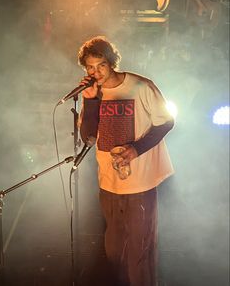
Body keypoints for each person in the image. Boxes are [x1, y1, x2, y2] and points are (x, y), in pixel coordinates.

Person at [78, 36, 174, 286]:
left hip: (140, 182)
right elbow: (88, 138)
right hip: (109, 182)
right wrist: (89, 101)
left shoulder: (140, 86)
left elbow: (166, 121)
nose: (95, 72)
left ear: (111, 62)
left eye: (100, 65)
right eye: (90, 67)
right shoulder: (93, 94)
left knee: (139, 251)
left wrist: (136, 149)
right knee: (114, 251)